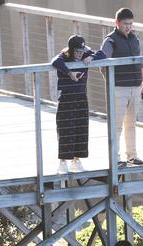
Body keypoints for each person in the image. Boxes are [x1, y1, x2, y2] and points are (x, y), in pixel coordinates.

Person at [51, 35, 106, 174]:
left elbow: (103, 54)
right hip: (67, 97)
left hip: (81, 97)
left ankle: (77, 160)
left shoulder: (85, 54)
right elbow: (55, 61)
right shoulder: (64, 57)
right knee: (65, 129)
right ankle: (63, 162)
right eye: (77, 51)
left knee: (81, 128)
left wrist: (91, 58)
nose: (80, 54)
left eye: (82, 51)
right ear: (71, 50)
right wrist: (70, 73)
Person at [101, 8, 143, 167]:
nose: (128, 27)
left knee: (131, 124)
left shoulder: (135, 39)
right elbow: (102, 62)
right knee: (116, 125)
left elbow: (140, 63)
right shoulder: (110, 40)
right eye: (125, 24)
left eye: (130, 23)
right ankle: (115, 158)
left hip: (135, 87)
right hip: (118, 88)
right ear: (117, 23)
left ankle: (132, 156)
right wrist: (111, 82)